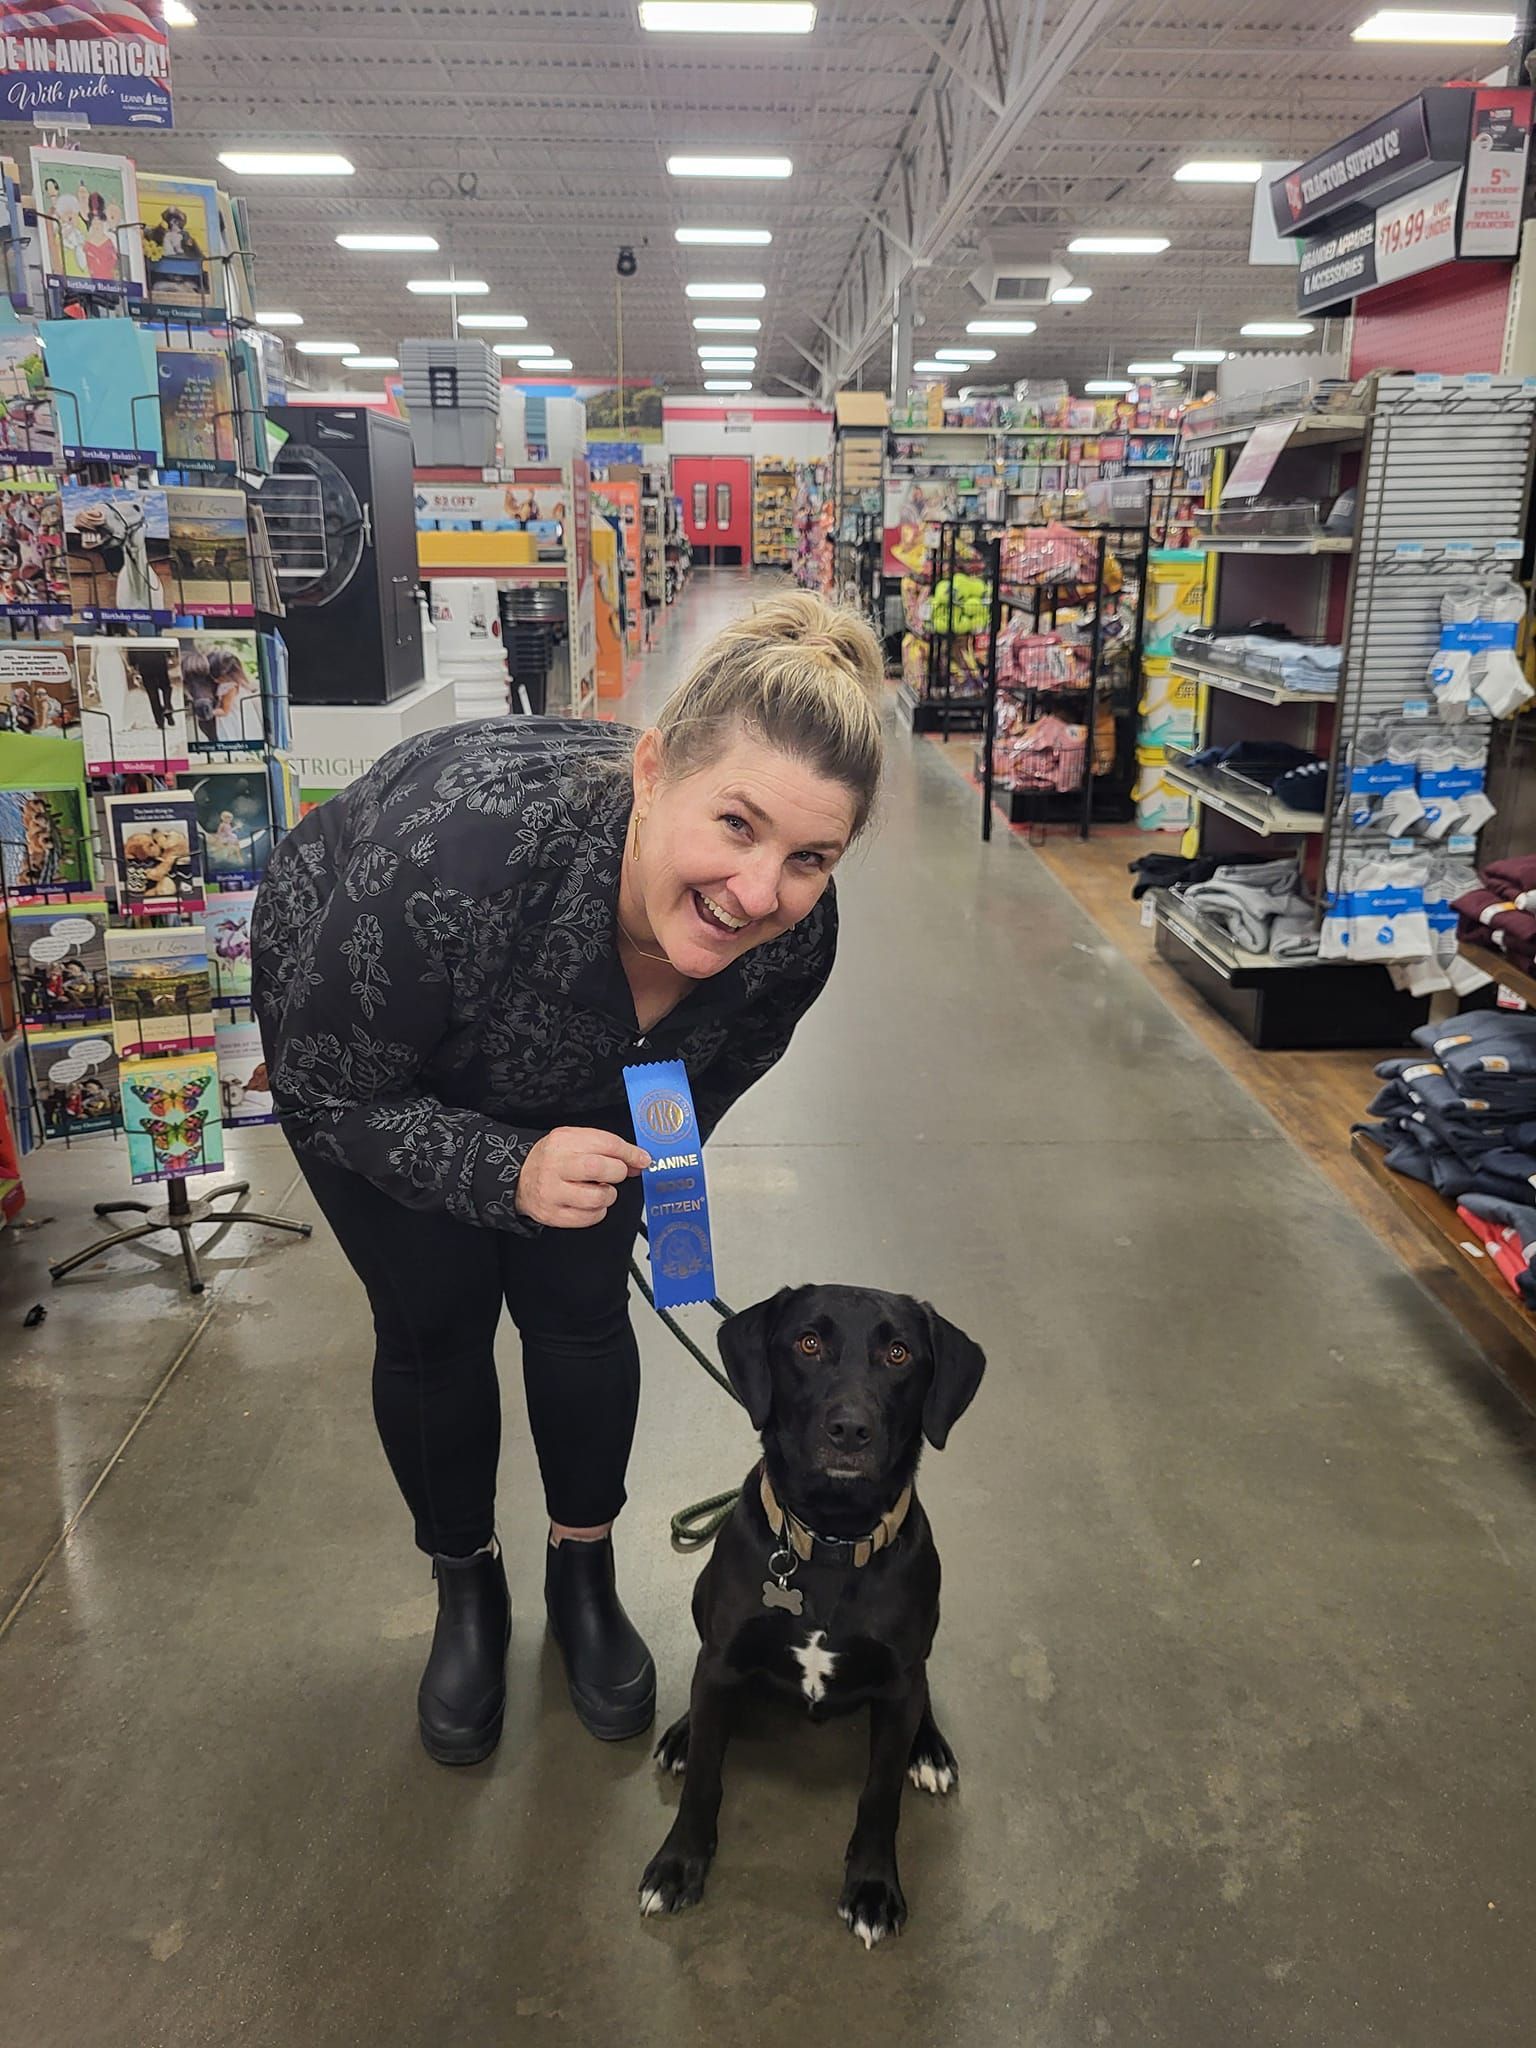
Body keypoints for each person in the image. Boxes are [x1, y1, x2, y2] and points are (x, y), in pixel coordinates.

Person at [251, 593, 884, 1763]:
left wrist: (648, 1183)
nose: (759, 891)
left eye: (809, 856)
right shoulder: (449, 858)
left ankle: (581, 1569)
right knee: (436, 1321)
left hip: (594, 1081)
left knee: (582, 1312)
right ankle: (467, 1585)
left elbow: (710, 1074)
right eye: (734, 825)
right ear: (652, 771)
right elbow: (329, 1093)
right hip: (384, 1057)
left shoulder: (799, 931)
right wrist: (505, 1167)